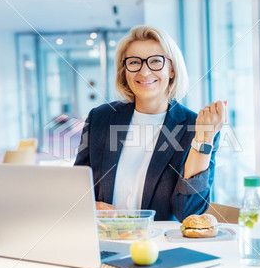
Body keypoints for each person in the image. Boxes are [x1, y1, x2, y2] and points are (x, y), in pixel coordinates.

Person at [74, 25, 227, 221]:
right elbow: (78, 189)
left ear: (172, 70)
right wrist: (89, 206)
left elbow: (189, 212)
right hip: (104, 241)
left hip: (158, 247)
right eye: (134, 62)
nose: (144, 72)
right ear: (124, 71)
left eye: (155, 61)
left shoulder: (194, 127)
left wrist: (203, 140)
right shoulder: (100, 118)